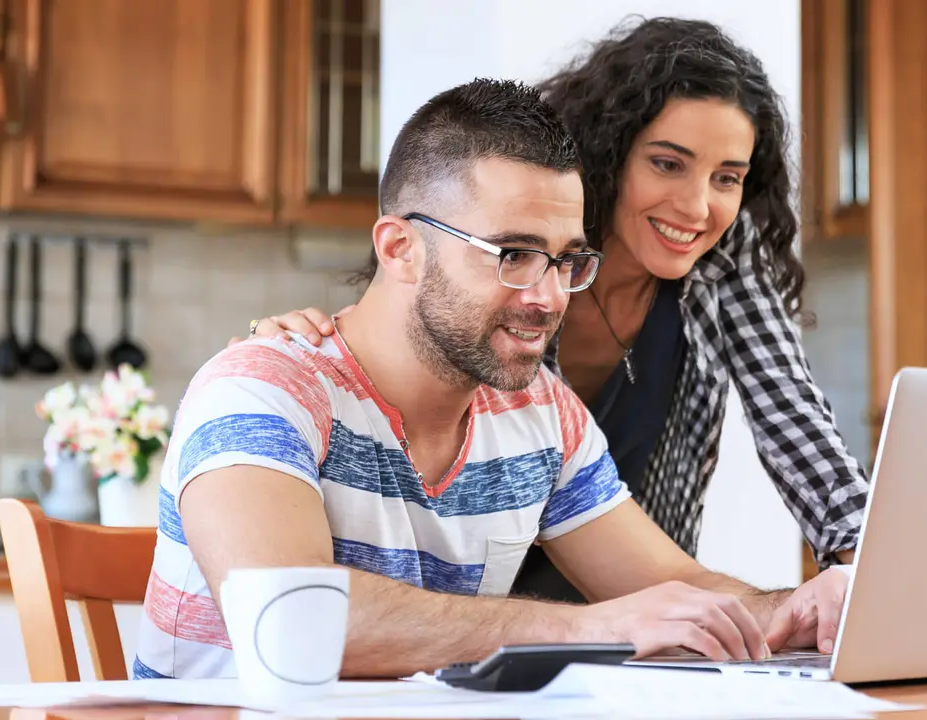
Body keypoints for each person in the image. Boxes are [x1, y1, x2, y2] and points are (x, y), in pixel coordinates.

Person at [137, 78, 850, 681]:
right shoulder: (262, 388)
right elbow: (286, 618)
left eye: (567, 259)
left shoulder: (539, 413)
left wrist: (795, 608)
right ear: (401, 247)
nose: (547, 297)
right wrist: (595, 629)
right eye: (512, 253)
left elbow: (677, 587)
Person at [245, 17, 871, 603]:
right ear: (612, 152)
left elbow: (798, 427)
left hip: (633, 610)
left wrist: (868, 576)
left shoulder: (719, 268)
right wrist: (296, 360)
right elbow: (415, 326)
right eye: (667, 164)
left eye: (727, 178)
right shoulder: (523, 271)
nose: (697, 206)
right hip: (478, 620)